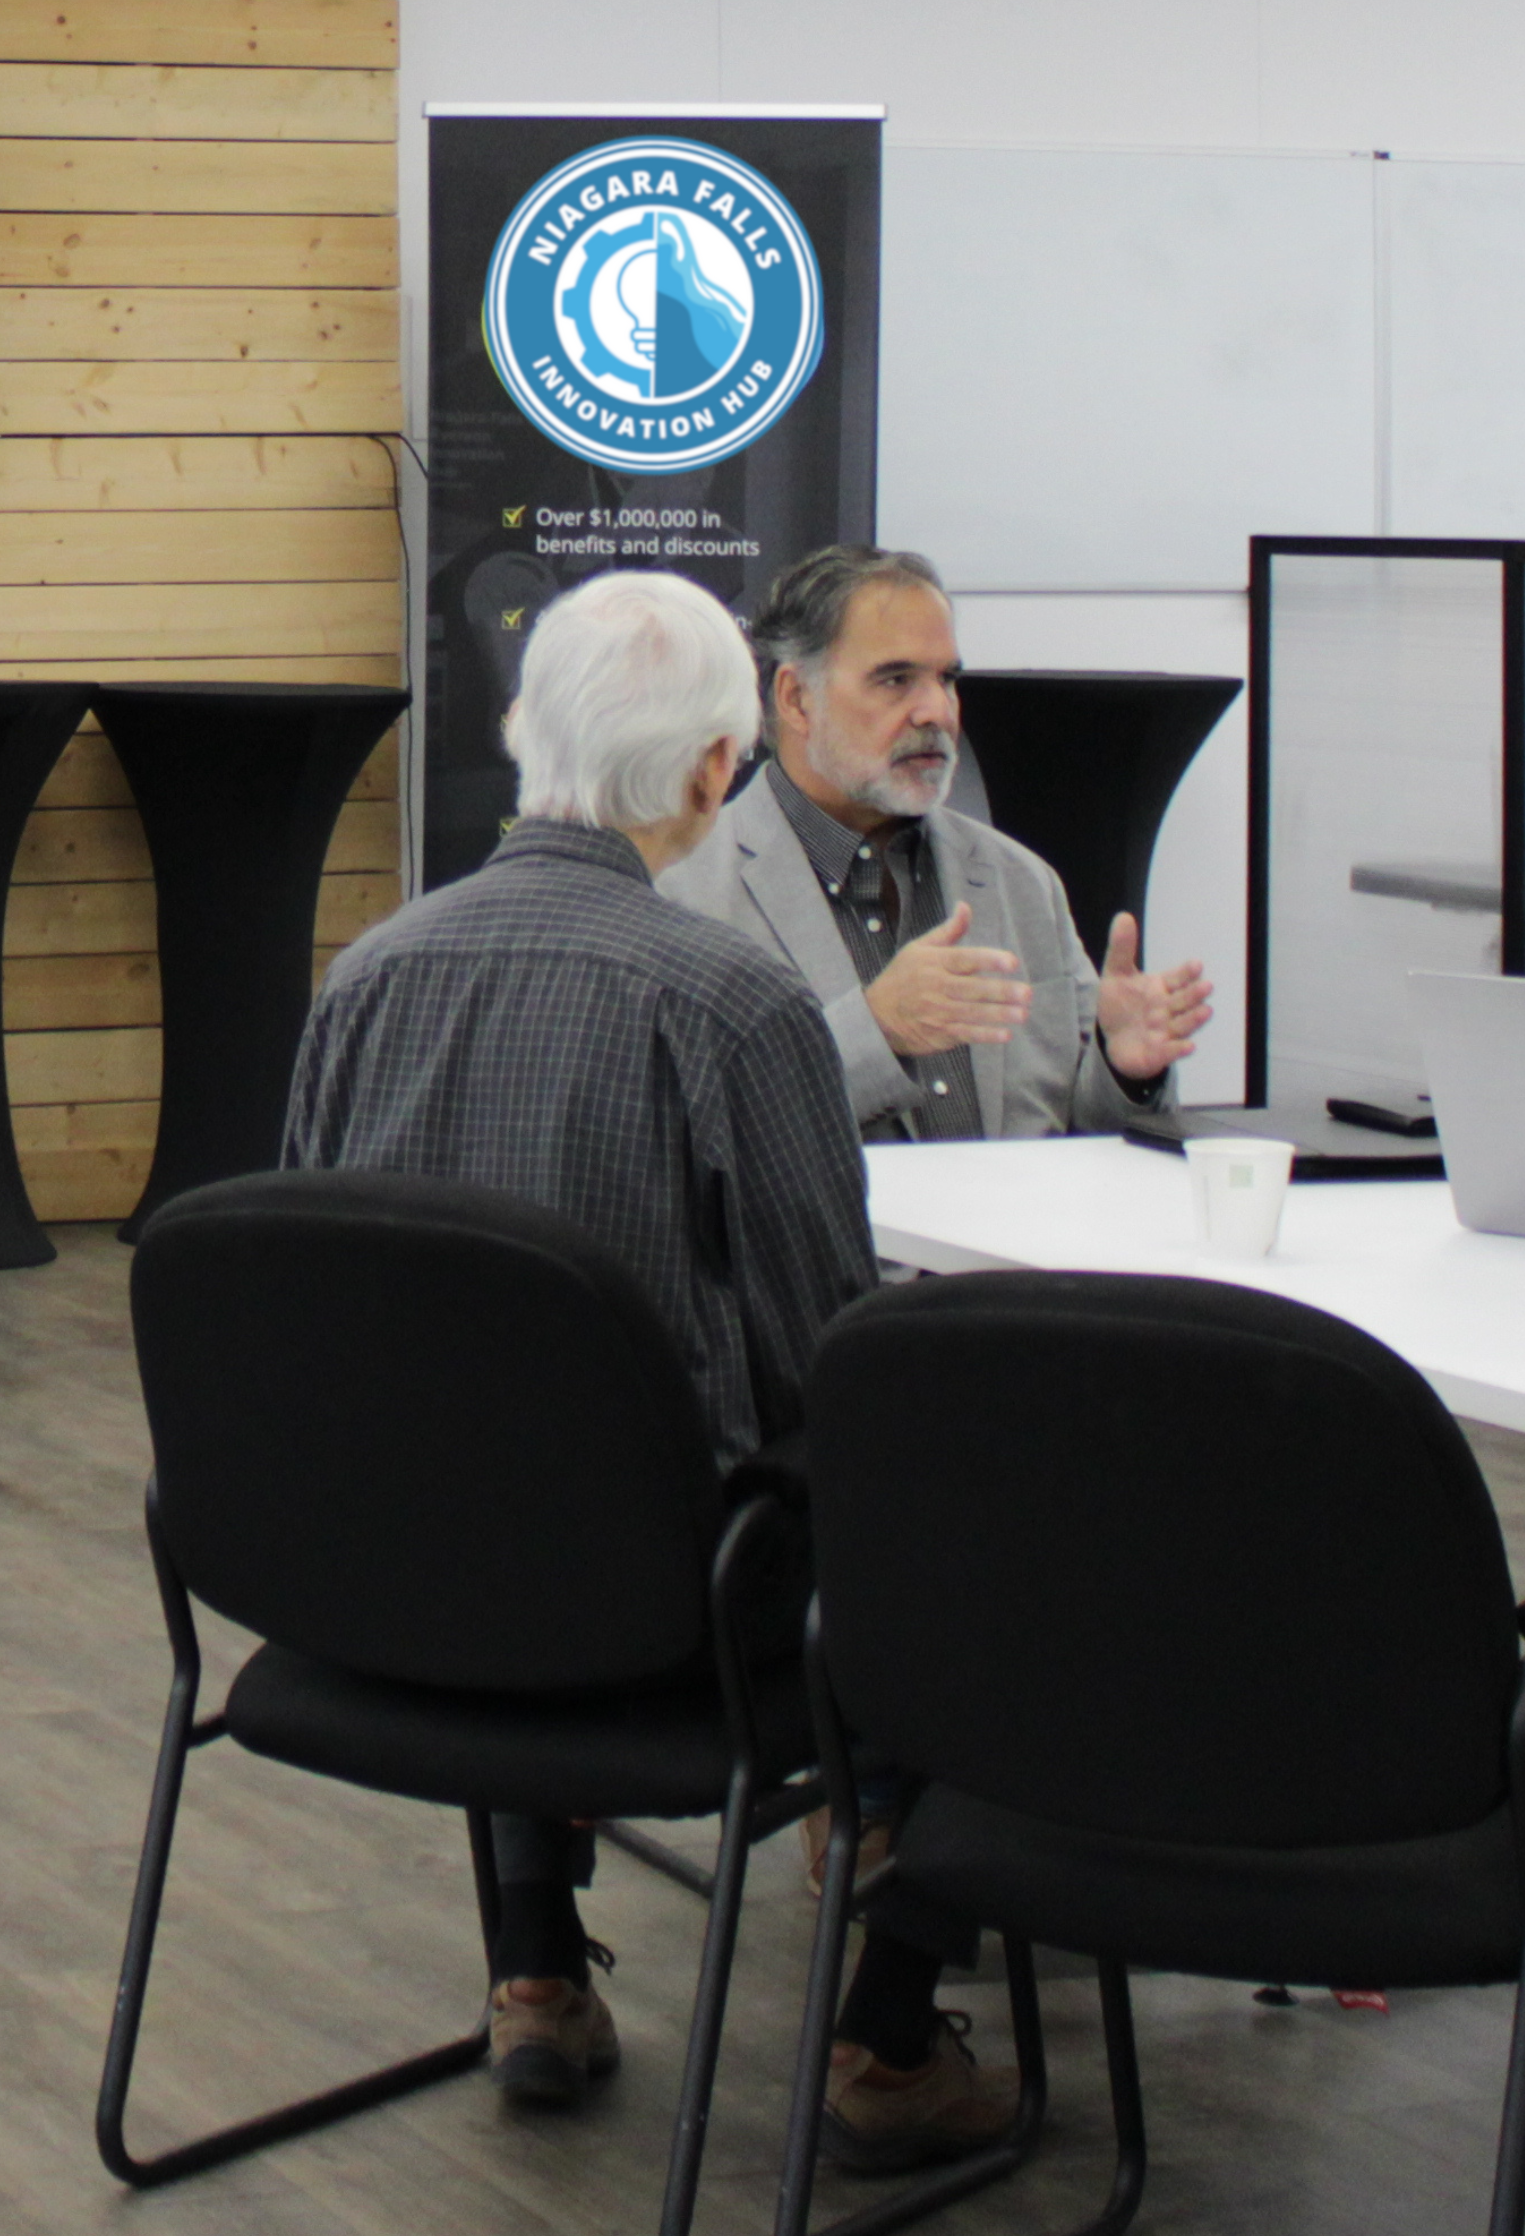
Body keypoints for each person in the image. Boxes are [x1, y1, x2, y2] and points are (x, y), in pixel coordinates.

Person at [282, 569, 1011, 2169]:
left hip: (375, 1574)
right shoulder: (735, 1006)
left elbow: (322, 1306)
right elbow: (835, 1366)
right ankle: (886, 2040)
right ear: (710, 773)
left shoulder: (362, 981)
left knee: (496, 1428)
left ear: (519, 733)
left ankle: (535, 1966)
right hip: (670, 1616)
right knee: (978, 1525)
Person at [657, 542, 1212, 1142]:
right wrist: (877, 1031)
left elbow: (1091, 1144)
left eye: (946, 679)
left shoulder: (1021, 881)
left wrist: (1124, 1070)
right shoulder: (686, 892)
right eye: (895, 679)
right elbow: (690, 1134)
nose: (936, 712)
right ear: (795, 699)